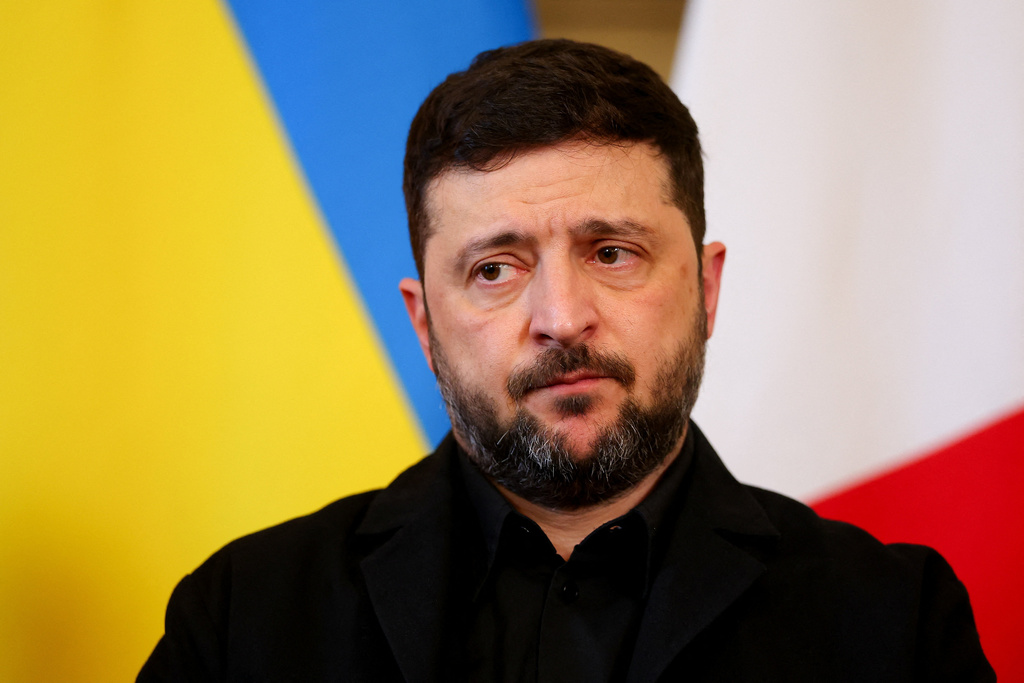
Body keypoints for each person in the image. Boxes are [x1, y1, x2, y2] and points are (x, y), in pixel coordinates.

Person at [138, 39, 994, 682]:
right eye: (495, 269)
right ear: (426, 325)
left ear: (705, 288)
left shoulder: (897, 625)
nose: (561, 317)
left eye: (612, 252)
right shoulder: (241, 623)